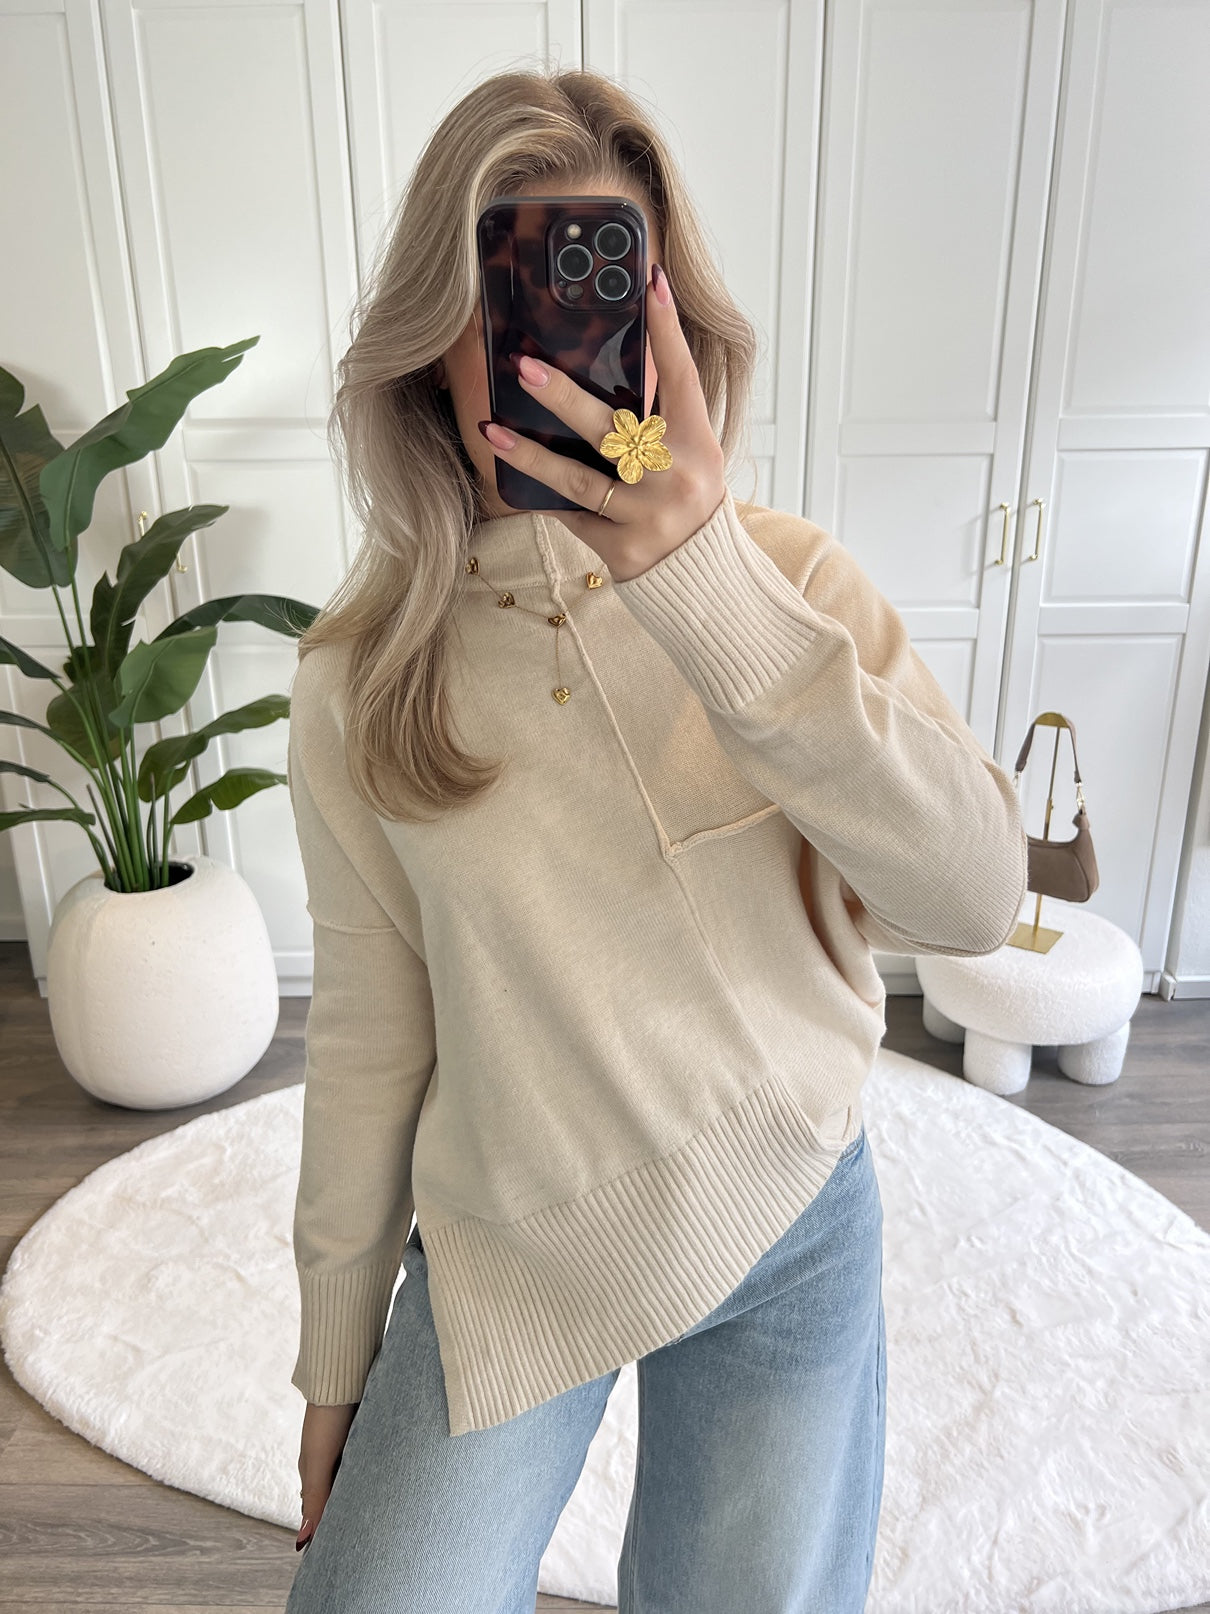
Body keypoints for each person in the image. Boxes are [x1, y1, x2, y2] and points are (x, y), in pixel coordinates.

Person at [283, 65, 1029, 1614]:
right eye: (512, 291)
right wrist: (335, 1357)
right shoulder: (362, 677)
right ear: (432, 336)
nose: (554, 344)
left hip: (785, 1207)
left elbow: (973, 896)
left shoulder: (787, 584)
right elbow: (367, 1031)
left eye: (604, 290)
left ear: (670, 324)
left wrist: (702, 587)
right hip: (513, 1235)